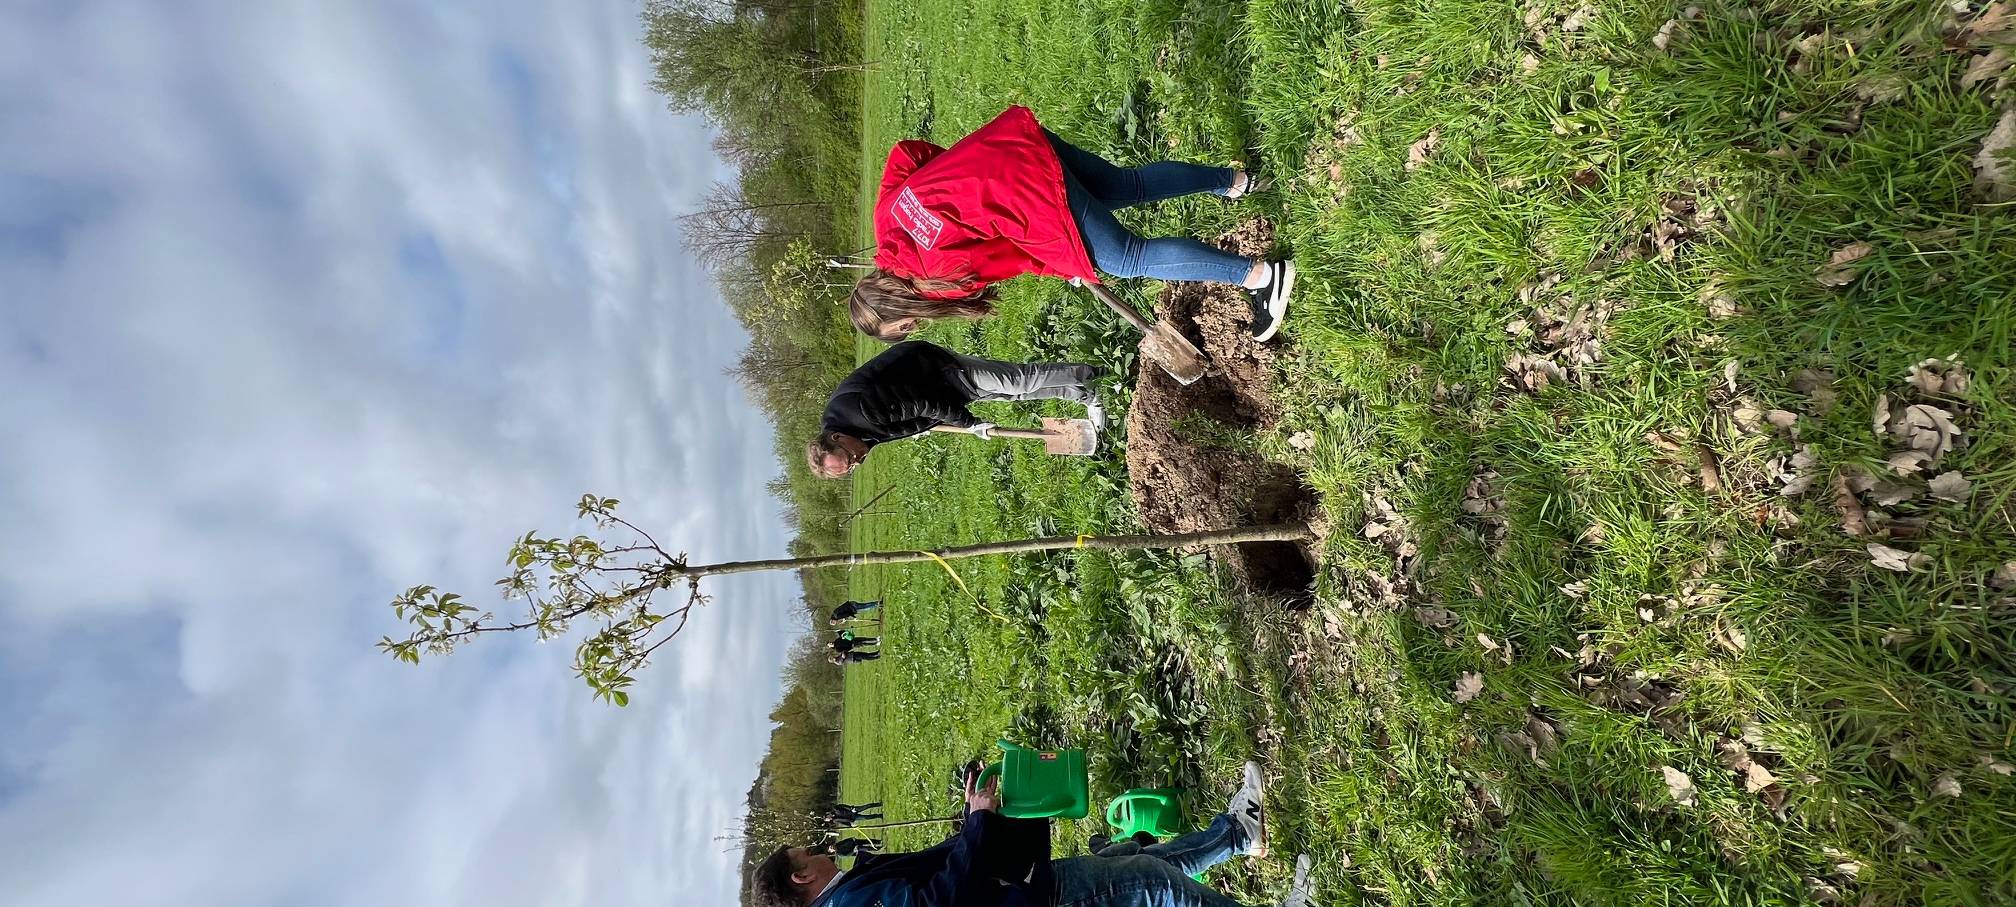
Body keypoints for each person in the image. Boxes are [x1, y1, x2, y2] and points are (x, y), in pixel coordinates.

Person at [849, 105, 1294, 344]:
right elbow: (905, 154)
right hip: (1010, 145)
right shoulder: (886, 220)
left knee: (1125, 257)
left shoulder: (934, 280)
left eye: (904, 326)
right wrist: (965, 176)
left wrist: (1070, 266)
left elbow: (1016, 252)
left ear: (900, 312)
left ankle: (1261, 277)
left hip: (1028, 195)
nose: (913, 327)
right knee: (1125, 186)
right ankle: (1237, 181)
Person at [751, 762, 1314, 907]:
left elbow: (933, 874)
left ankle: (1238, 836)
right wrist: (975, 827)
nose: (823, 850)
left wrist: (975, 819)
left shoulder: (848, 892)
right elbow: (941, 901)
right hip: (1026, 899)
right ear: (801, 877)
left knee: (1135, 861)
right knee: (1147, 881)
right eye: (811, 853)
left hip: (1017, 885)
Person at [806, 340, 1101, 479]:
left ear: (837, 439)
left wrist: (968, 423)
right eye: (852, 468)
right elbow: (903, 415)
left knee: (1017, 381)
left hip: (935, 369)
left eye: (850, 457)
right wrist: (918, 428)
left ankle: (1094, 375)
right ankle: (1083, 395)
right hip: (934, 388)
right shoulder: (849, 431)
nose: (859, 460)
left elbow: (926, 403)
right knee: (1009, 396)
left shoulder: (860, 412)